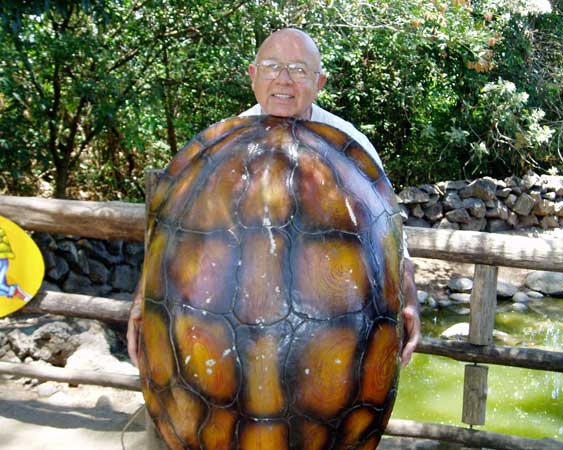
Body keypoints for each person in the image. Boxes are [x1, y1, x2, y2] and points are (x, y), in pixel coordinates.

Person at [127, 27, 420, 369]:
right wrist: (143, 298)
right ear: (253, 75)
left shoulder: (349, 147)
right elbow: (175, 234)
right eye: (271, 66)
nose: (283, 79)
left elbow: (385, 232)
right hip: (229, 325)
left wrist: (407, 295)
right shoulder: (220, 147)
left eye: (298, 69)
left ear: (319, 81)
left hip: (327, 327)